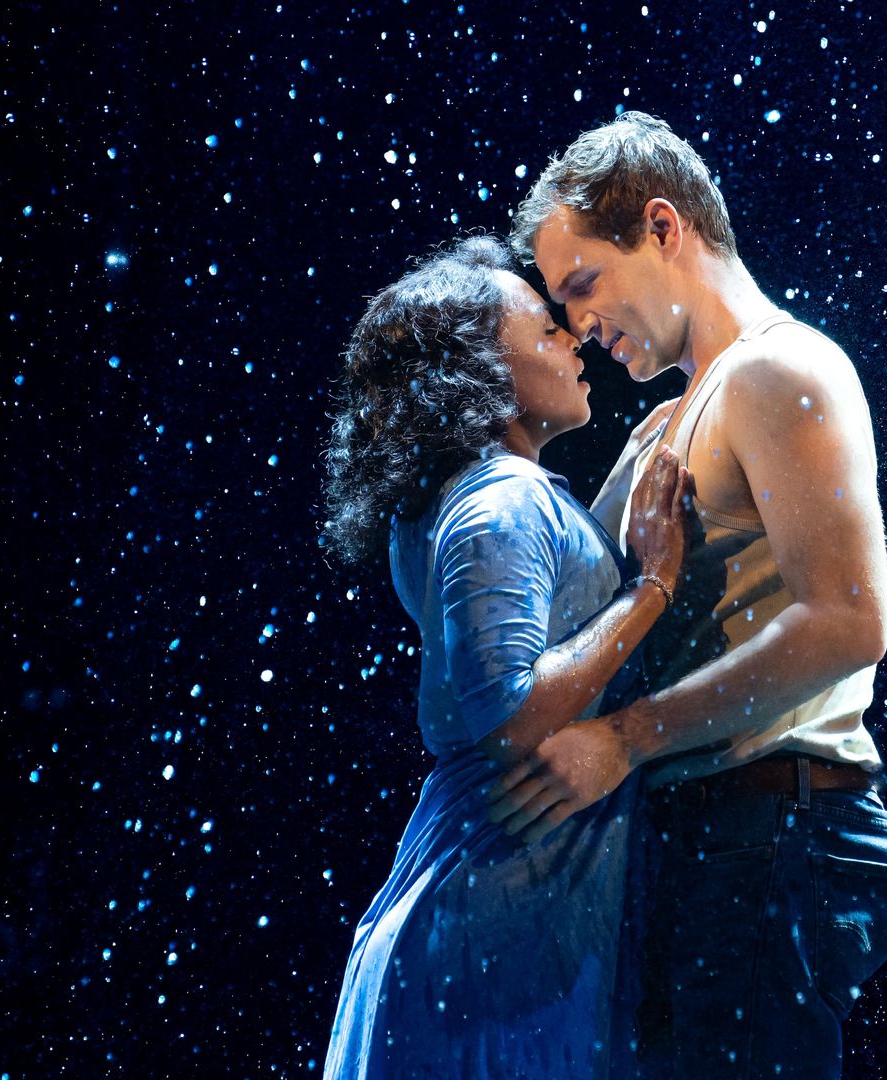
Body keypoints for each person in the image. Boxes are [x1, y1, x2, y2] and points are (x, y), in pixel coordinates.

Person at [488, 113, 887, 1077]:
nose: (581, 327)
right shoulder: (659, 427)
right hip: (697, 843)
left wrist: (626, 737)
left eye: (583, 285)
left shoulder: (782, 368)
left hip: (769, 833)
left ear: (663, 227)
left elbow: (851, 621)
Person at [319, 235, 693, 1079]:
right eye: (543, 328)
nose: (570, 337)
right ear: (480, 369)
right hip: (494, 933)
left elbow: (545, 607)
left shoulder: (467, 498)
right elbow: (510, 716)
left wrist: (618, 490)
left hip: (480, 917)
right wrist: (655, 586)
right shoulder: (502, 502)